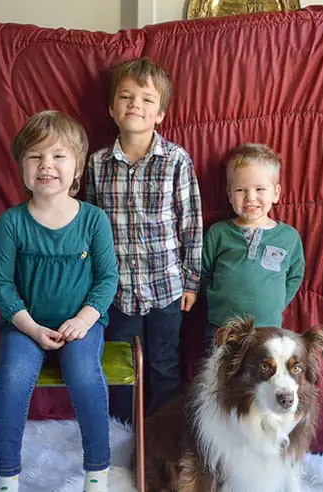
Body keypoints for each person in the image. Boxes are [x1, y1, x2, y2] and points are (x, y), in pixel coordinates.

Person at [0, 111, 118, 492]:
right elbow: (0, 285)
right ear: (22, 167)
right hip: (25, 326)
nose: (46, 165)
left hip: (80, 324)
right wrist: (28, 326)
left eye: (58, 156)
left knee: (83, 375)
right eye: (35, 156)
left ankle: (97, 473)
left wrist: (83, 320)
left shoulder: (94, 220)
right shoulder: (11, 223)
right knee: (12, 378)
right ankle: (6, 477)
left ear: (77, 166)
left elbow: (107, 278)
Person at [85, 57, 203, 423]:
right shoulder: (97, 163)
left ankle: (160, 431)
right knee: (121, 364)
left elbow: (191, 224)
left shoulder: (176, 160)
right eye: (126, 96)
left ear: (160, 114)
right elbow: (88, 224)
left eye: (146, 99)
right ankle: (123, 432)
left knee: (164, 363)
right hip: (117, 291)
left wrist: (192, 280)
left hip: (166, 287)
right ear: (111, 109)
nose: (135, 104)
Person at [202, 143, 305, 350]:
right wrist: (217, 298)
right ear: (230, 194)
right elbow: (203, 272)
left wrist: (276, 304)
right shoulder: (218, 233)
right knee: (218, 379)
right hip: (222, 328)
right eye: (241, 190)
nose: (250, 197)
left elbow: (295, 276)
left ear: (276, 193)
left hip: (267, 330)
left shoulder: (289, 237)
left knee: (261, 381)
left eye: (260, 189)